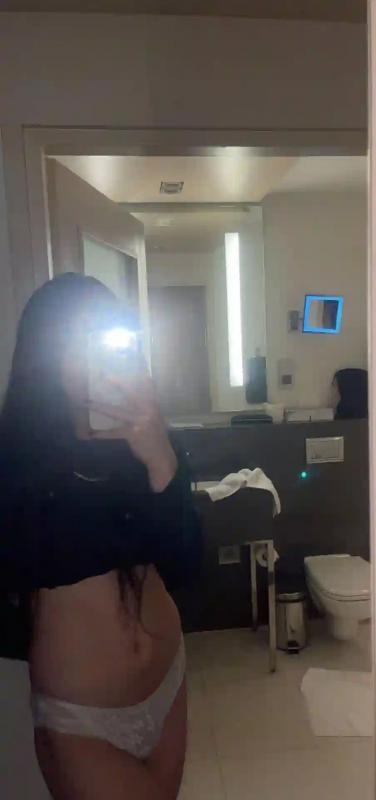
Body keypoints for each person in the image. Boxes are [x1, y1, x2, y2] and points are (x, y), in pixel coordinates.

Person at [0, 273, 200, 800]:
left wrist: (160, 459)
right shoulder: (15, 460)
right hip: (81, 719)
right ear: (44, 355)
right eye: (78, 341)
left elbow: (187, 565)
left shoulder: (147, 442)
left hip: (168, 680)